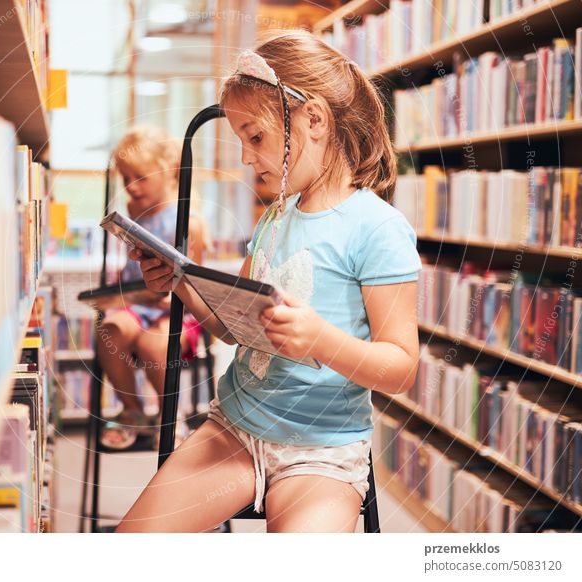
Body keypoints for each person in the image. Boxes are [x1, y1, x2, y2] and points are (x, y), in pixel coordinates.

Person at [116, 30, 422, 532]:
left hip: (320, 454)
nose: (246, 157)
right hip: (234, 427)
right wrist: (182, 283)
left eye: (254, 137)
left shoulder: (378, 228)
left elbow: (400, 367)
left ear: (315, 119)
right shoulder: (273, 217)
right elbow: (235, 327)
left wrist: (320, 339)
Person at [97, 125, 205, 450]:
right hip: (136, 305)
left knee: (155, 346)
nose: (131, 187)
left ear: (169, 171)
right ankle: (133, 411)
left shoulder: (188, 220)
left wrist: (165, 301)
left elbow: (196, 287)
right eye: (125, 178)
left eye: (141, 177)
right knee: (109, 331)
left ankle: (170, 415)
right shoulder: (131, 212)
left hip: (179, 311)